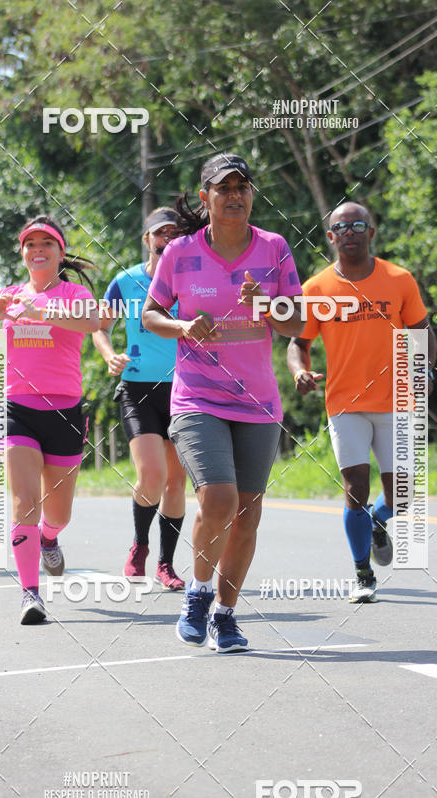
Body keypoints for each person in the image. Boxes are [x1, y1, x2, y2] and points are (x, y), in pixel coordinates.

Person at [142, 153, 304, 652]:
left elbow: (297, 324)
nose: (235, 195)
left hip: (258, 402)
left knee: (248, 514)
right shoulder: (181, 252)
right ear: (205, 196)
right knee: (219, 499)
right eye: (224, 187)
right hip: (197, 397)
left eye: (243, 186)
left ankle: (226, 616)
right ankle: (198, 594)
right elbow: (151, 315)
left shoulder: (274, 248)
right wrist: (183, 325)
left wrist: (267, 305)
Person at [0, 216, 100, 624]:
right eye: (30, 244)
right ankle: (31, 594)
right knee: (23, 502)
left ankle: (50, 537)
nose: (38, 249)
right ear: (23, 253)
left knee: (59, 513)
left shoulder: (74, 293)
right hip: (17, 410)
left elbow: (95, 321)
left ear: (60, 252)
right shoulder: (9, 295)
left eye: (47, 243)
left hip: (64, 411)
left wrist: (42, 309)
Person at [288, 201, 436, 603]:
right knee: (355, 488)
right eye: (341, 227)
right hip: (345, 403)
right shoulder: (317, 288)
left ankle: (376, 521)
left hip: (396, 400)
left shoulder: (399, 279)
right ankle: (362, 573)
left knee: (402, 496)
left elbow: (422, 331)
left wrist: (422, 372)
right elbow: (298, 344)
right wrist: (300, 372)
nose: (350, 231)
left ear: (371, 232)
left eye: (358, 225)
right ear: (331, 237)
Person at [93, 207, 187, 590]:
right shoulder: (125, 281)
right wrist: (108, 354)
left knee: (176, 483)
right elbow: (100, 326)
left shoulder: (193, 281)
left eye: (174, 233)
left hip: (185, 389)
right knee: (151, 474)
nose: (166, 239)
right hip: (137, 389)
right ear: (147, 239)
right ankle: (140, 545)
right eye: (159, 233)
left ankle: (166, 563)